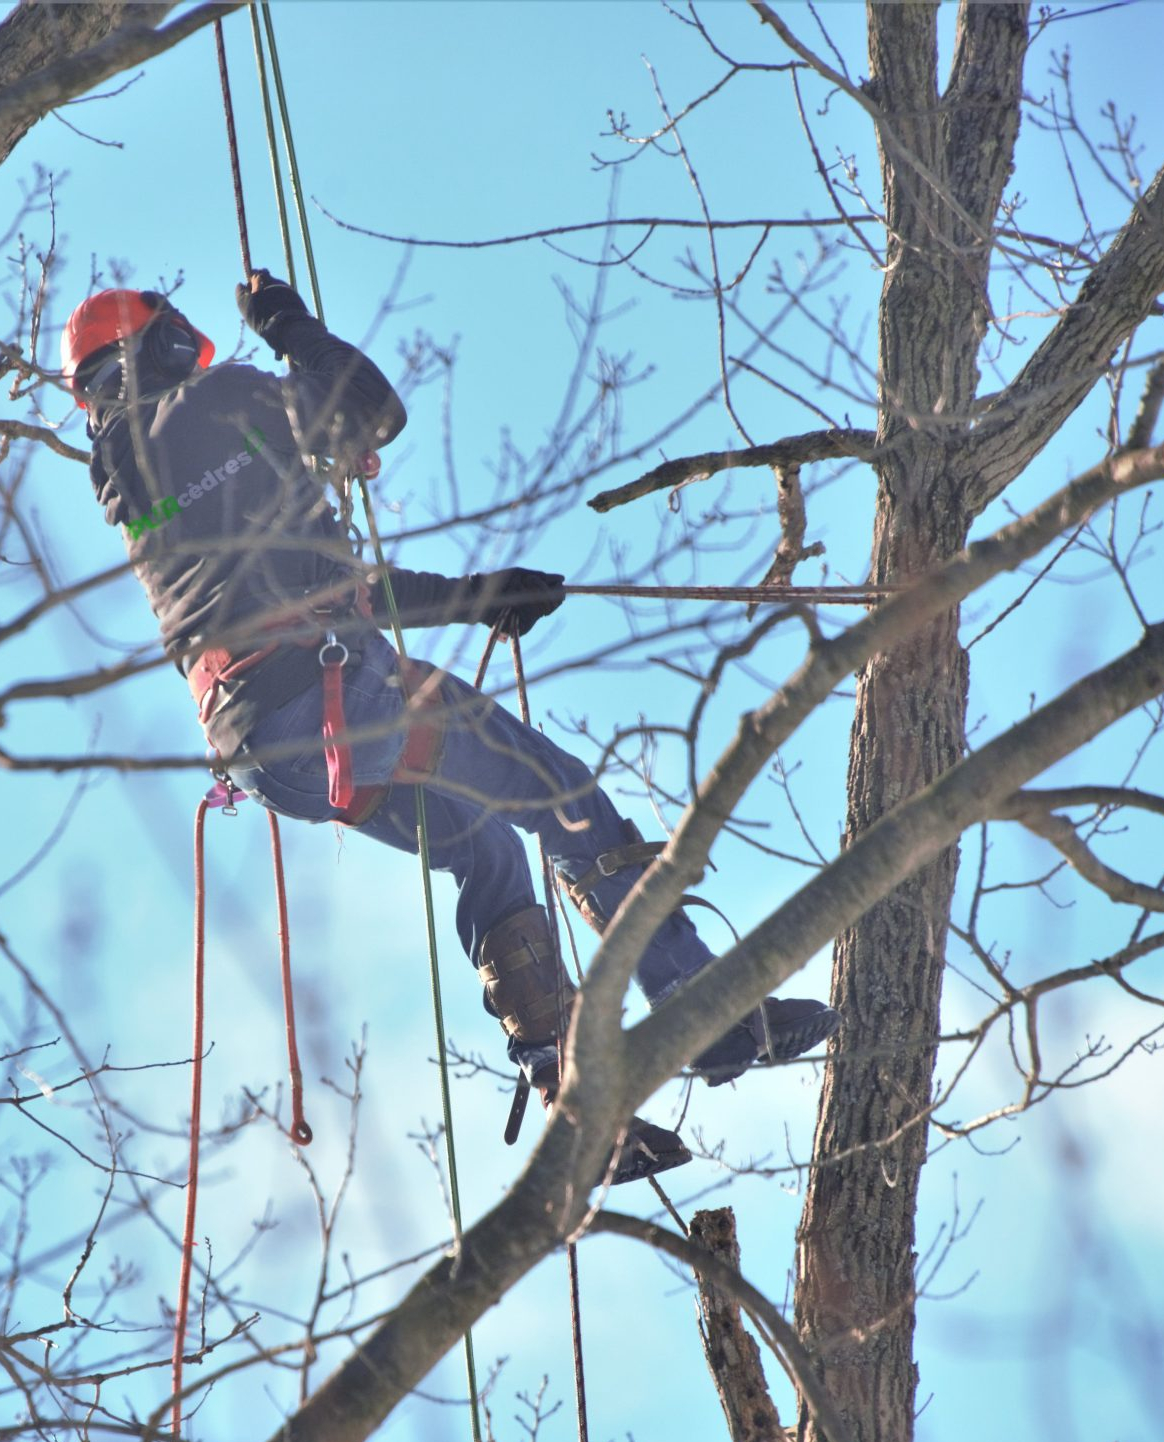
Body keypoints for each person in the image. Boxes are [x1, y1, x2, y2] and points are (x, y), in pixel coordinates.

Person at [65, 273, 838, 1185]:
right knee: (558, 792)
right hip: (332, 695)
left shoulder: (141, 488)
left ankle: (572, 1100)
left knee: (483, 846)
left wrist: (478, 597)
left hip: (271, 753)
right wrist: (285, 323)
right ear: (162, 345)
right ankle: (703, 1013)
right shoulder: (223, 402)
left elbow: (325, 594)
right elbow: (370, 410)